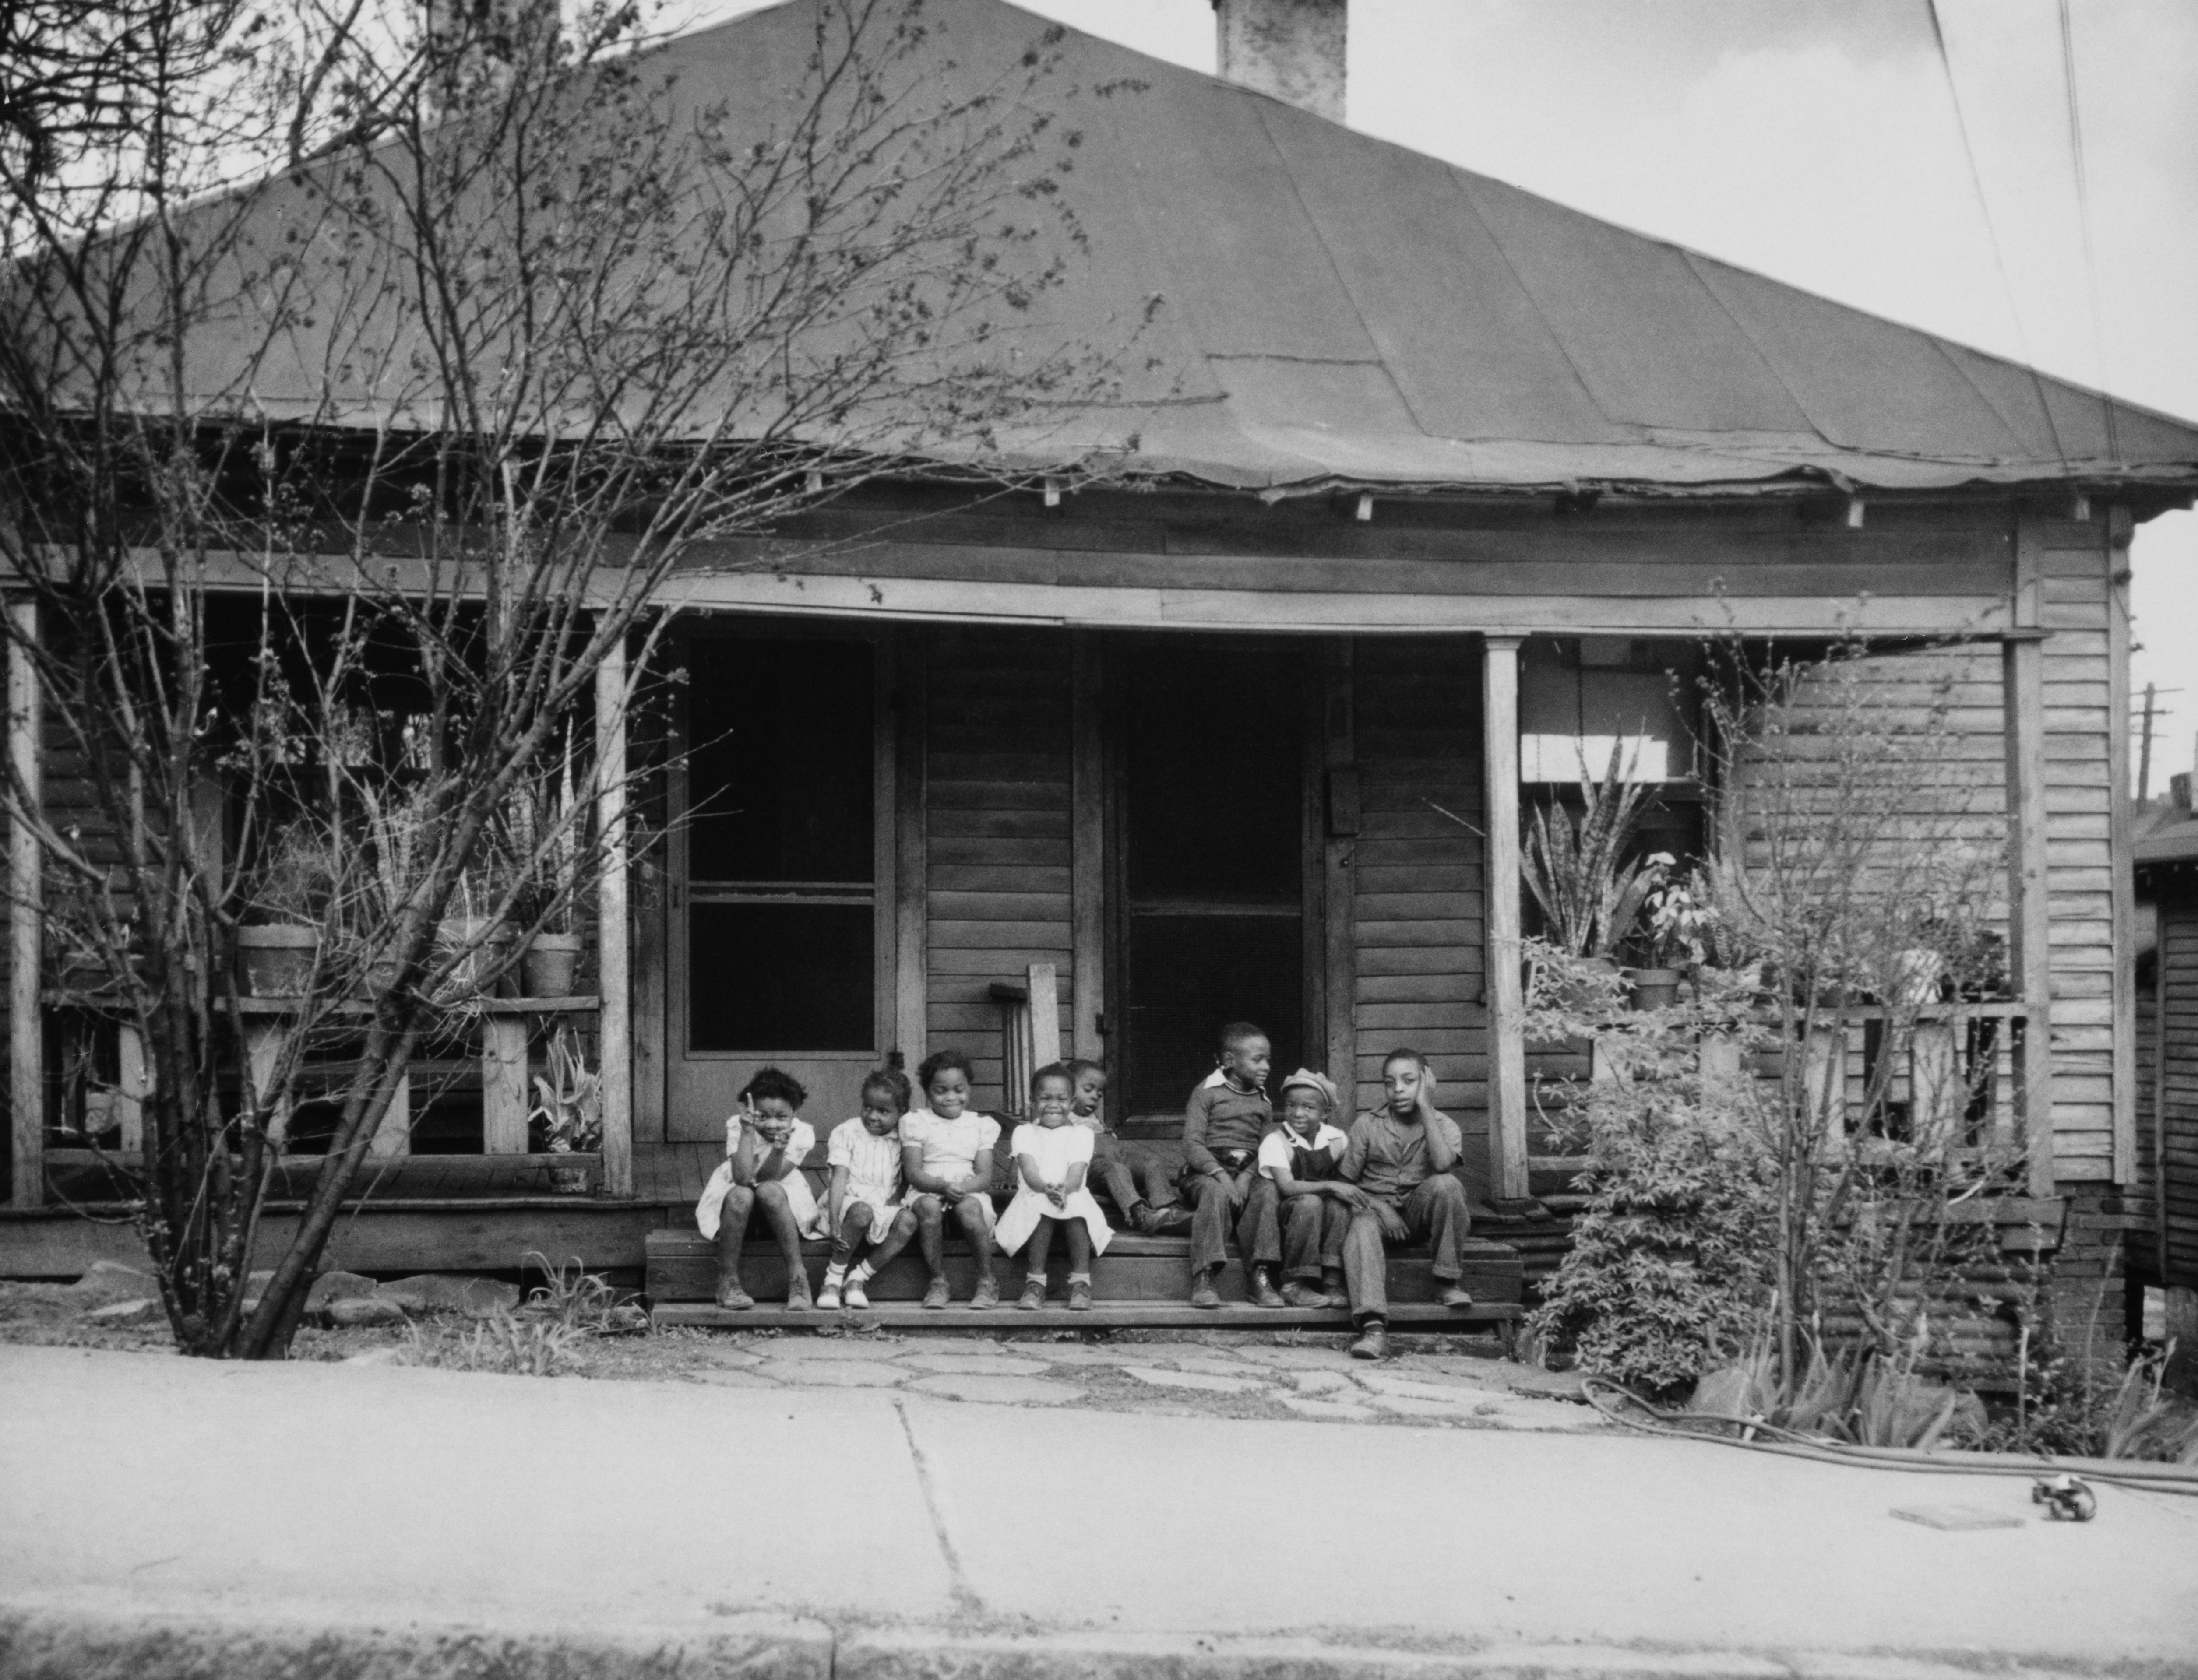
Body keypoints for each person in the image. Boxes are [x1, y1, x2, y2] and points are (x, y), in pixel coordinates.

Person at [1336, 1047, 1477, 1360]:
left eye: (1409, 1081)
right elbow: (1346, 1185)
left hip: (1418, 1216)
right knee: (1360, 1223)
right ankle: (1373, 1328)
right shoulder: (1367, 1125)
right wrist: (1381, 1208)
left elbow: (1442, 1165)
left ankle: (1446, 1282)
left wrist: (1426, 1107)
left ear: (1426, 1082)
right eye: (1390, 1082)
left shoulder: (1445, 1125)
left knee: (1448, 1185)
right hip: (1374, 1214)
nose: (1398, 1089)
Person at [696, 1066, 826, 1312]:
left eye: (781, 1116)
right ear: (748, 1111)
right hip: (739, 1202)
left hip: (779, 1199)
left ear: (794, 1113)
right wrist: (747, 1132)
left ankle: (798, 1278)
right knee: (741, 1195)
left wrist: (778, 1149)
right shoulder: (739, 1125)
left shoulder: (801, 1133)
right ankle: (728, 1282)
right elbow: (743, 1177)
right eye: (762, 1116)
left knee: (769, 1191)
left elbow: (770, 1178)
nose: (772, 1124)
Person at [1179, 1020, 1284, 1310]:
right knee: (1213, 1193)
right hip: (1207, 1172)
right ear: (1230, 1061)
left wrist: (1247, 1178)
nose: (1266, 1067)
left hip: (1247, 1173)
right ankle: (1204, 1276)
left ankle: (1260, 1277)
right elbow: (1192, 1145)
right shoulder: (1207, 1093)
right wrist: (1223, 1178)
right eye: (1258, 1060)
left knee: (1269, 1193)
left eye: (1268, 1060)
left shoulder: (1263, 1104)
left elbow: (1268, 1148)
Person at [994, 1062, 1112, 1311]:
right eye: (1045, 1098)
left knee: (1077, 1208)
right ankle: (1035, 1282)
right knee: (1043, 1206)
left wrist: (1064, 1190)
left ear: (1071, 1102)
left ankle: (1081, 1282)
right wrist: (1047, 1189)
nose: (1053, 1105)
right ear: (1032, 1101)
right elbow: (1029, 1172)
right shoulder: (1024, 1133)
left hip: (1071, 1192)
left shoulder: (1081, 1134)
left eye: (1061, 1099)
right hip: (1036, 1192)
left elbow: (1077, 1174)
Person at [899, 1049, 1004, 1309]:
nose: (951, 1097)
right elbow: (913, 1173)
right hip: (928, 1188)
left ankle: (987, 1281)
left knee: (969, 1208)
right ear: (927, 1092)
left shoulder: (980, 1125)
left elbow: (984, 1177)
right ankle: (938, 1281)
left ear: (969, 1088)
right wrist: (942, 1186)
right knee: (929, 1207)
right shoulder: (916, 1122)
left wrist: (961, 1188)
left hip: (966, 1190)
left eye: (959, 1089)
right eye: (941, 1090)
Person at [816, 1067, 921, 1311]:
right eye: (868, 1108)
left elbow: (907, 1175)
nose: (873, 1116)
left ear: (901, 1112)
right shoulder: (848, 1132)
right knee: (862, 1212)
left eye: (884, 1111)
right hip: (847, 1200)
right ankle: (832, 1280)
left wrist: (896, 1200)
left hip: (883, 1202)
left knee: (908, 1222)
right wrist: (833, 1219)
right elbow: (839, 1178)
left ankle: (858, 1278)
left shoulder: (904, 1136)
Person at [1259, 1068, 1353, 1308]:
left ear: (1326, 1113)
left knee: (1339, 1204)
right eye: (1291, 1106)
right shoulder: (1276, 1141)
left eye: (1309, 1108)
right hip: (1288, 1220)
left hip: (1320, 1220)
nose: (1298, 1114)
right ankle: (1294, 1283)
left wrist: (1337, 1190)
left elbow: (1348, 1177)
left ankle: (1332, 1279)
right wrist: (1330, 1185)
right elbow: (1287, 1187)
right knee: (1311, 1202)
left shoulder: (1337, 1139)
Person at [1070, 1059, 1193, 1236]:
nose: (1096, 1096)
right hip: (1095, 1171)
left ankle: (1168, 1210)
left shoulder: (1094, 1118)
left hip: (1119, 1162)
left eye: (1100, 1093)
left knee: (1151, 1163)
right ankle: (1141, 1216)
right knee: (1117, 1169)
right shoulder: (1062, 1118)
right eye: (1088, 1090)